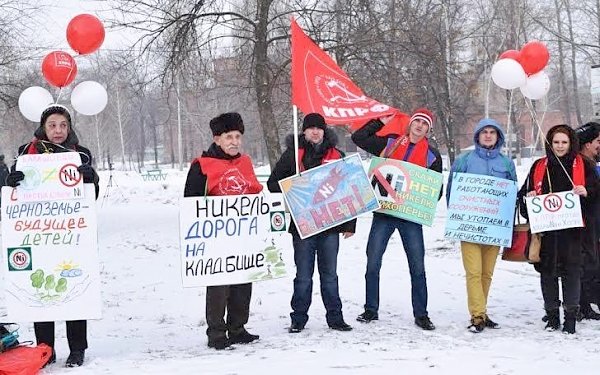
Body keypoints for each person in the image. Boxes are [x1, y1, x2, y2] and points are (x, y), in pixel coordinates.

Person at [5, 104, 99, 366]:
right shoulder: (27, 152)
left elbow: (93, 197)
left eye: (63, 125)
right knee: (39, 288)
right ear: (43, 128)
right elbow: (12, 193)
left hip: (71, 232)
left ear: (69, 128)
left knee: (75, 287)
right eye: (52, 125)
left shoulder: (80, 154)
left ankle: (77, 348)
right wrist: (11, 181)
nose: (58, 131)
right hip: (36, 234)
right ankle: (45, 348)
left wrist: (91, 179)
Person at [351, 108, 442, 330]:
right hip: (384, 213)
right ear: (410, 124)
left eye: (424, 124)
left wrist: (421, 200)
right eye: (417, 121)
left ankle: (421, 314)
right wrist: (378, 122)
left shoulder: (432, 155)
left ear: (428, 130)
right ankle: (371, 309)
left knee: (417, 265)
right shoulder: (390, 143)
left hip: (410, 217)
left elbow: (435, 190)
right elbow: (359, 138)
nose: (419, 126)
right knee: (373, 261)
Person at [267, 113, 356, 333]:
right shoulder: (293, 155)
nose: (315, 132)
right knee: (303, 276)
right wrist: (297, 184)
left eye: (319, 128)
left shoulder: (337, 155)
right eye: (311, 128)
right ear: (304, 132)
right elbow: (272, 184)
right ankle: (298, 318)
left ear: (324, 131)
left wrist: (350, 224)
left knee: (330, 275)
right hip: (303, 226)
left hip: (330, 227)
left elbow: (349, 190)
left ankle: (335, 318)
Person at [184, 112, 261, 350]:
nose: (234, 141)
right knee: (219, 286)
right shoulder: (202, 165)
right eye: (229, 136)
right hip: (216, 238)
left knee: (243, 282)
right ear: (217, 139)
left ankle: (238, 328)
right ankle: (216, 332)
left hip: (243, 235)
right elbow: (191, 203)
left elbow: (255, 193)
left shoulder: (246, 162)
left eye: (238, 136)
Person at [518, 124, 598, 334]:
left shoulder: (584, 165)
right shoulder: (539, 166)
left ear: (571, 143)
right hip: (547, 233)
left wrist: (586, 191)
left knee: (572, 274)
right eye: (556, 142)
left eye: (564, 142)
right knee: (548, 274)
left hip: (575, 233)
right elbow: (523, 195)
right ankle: (552, 316)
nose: (560, 146)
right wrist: (529, 199)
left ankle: (571, 318)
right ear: (549, 144)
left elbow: (596, 194)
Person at [446, 118, 517, 332]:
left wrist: (507, 223)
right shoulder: (464, 160)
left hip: (494, 228)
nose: (488, 135)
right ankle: (477, 315)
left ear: (498, 137)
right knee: (474, 272)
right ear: (477, 136)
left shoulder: (506, 163)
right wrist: (457, 217)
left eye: (492, 132)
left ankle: (482, 311)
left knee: (487, 273)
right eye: (484, 132)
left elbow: (511, 194)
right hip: (469, 227)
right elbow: (452, 190)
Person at [575, 122, 600, 320]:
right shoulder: (581, 164)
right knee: (587, 263)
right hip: (588, 221)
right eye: (598, 141)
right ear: (587, 144)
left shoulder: (593, 162)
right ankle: (583, 304)